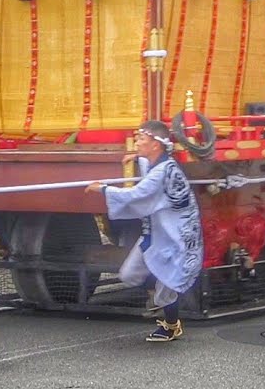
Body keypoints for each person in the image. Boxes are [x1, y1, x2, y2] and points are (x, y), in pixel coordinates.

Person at [85, 120, 202, 342]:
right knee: (129, 275)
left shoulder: (164, 172)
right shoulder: (156, 163)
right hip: (155, 233)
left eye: (141, 139)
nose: (137, 142)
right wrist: (136, 158)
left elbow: (136, 195)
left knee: (166, 284)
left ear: (156, 144)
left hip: (175, 237)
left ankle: (170, 326)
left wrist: (103, 189)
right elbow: (148, 169)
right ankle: (158, 296)